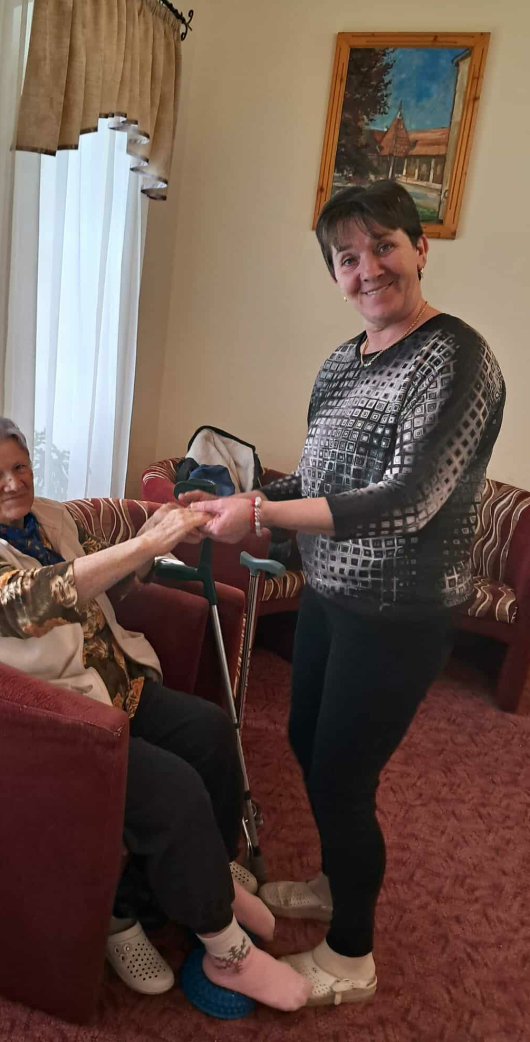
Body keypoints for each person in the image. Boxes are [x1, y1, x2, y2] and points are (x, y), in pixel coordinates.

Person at [182, 181, 505, 1008]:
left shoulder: (456, 357)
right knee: (307, 740)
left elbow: (407, 501)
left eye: (384, 247)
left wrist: (259, 514)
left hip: (400, 611)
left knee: (341, 779)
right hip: (331, 596)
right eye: (348, 258)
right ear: (334, 273)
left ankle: (352, 957)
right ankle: (335, 883)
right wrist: (238, 498)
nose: (369, 270)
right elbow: (318, 480)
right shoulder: (340, 362)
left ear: (420, 248)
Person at [0, 412, 312, 1010]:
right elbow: (30, 601)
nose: (14, 483)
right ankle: (225, 952)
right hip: (54, 721)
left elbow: (103, 581)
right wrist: (145, 543)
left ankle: (208, 874)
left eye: (20, 466)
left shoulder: (45, 518)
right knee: (174, 789)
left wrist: (156, 537)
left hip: (109, 684)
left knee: (210, 731)